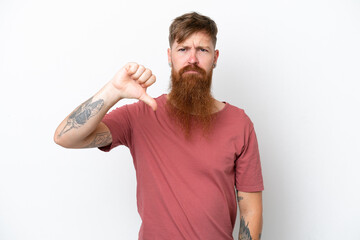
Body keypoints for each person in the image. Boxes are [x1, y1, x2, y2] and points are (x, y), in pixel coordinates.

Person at [54, 12, 264, 240]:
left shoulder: (239, 123)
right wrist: (114, 91)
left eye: (202, 50)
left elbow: (250, 211)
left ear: (215, 57)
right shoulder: (141, 114)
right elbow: (66, 137)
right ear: (169, 56)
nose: (192, 59)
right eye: (183, 49)